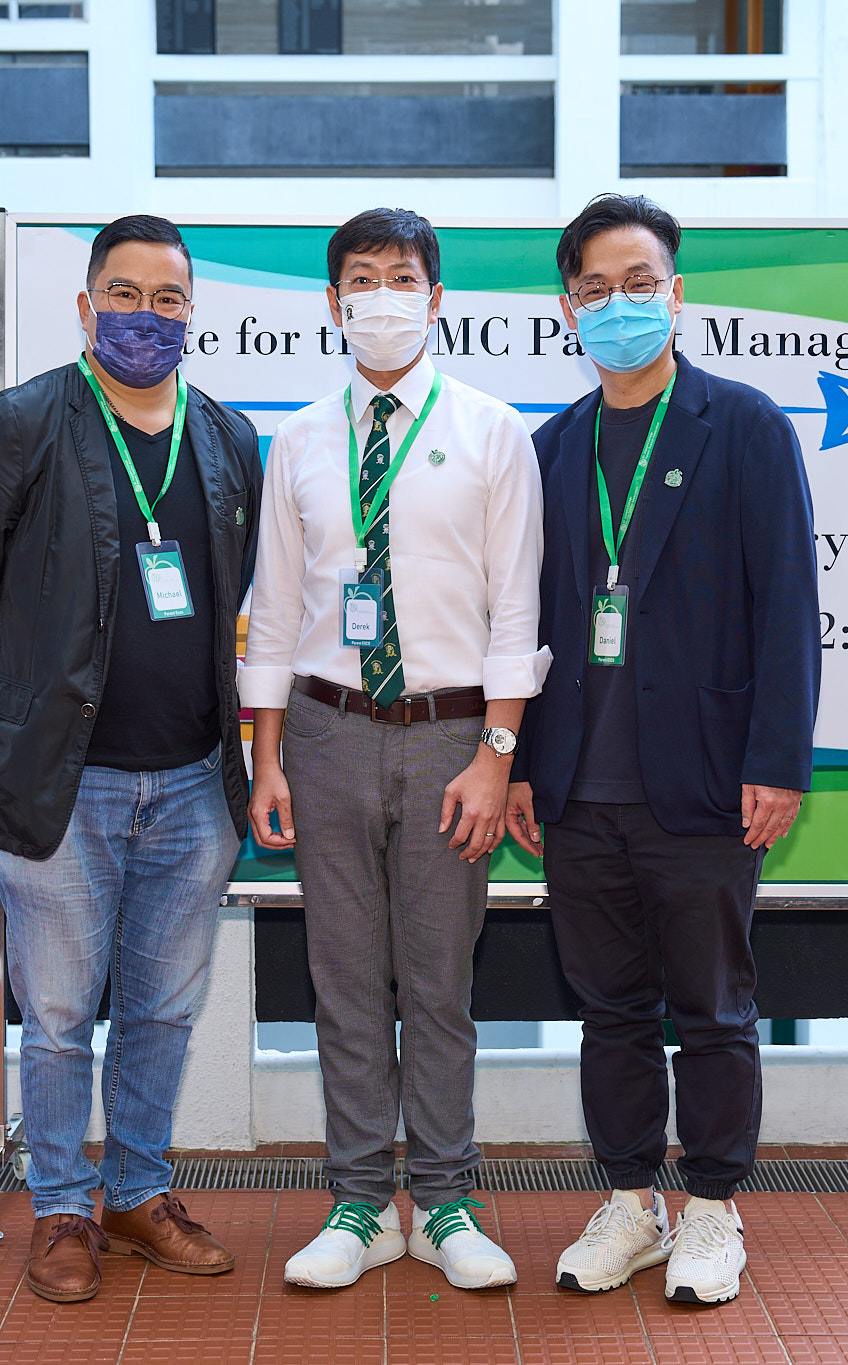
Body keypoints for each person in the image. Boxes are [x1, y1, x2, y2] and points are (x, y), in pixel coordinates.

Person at [0, 214, 262, 1305]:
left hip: (195, 785)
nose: (144, 316)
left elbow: (242, 590)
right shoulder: (21, 424)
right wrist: (20, 704)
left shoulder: (226, 438)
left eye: (167, 299)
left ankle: (138, 1194)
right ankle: (63, 1208)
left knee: (162, 1011)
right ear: (84, 306)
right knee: (62, 1017)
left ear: (191, 312)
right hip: (61, 788)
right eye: (124, 295)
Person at [504, 194, 820, 1306]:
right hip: (578, 787)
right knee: (611, 1010)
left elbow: (788, 606)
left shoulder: (744, 426)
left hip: (706, 780)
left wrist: (777, 759)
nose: (619, 305)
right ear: (568, 309)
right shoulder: (552, 447)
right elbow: (526, 621)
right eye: (595, 289)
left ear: (675, 293)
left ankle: (714, 1209)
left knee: (714, 1011)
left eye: (639, 283)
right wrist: (521, 764)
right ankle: (632, 1202)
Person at [241, 207, 548, 1291]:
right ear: (333, 304)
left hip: (452, 739)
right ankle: (363, 1202)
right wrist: (266, 757)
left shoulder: (492, 432)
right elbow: (275, 612)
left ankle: (448, 1199)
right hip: (325, 734)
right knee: (344, 981)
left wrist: (497, 754)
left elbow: (517, 611)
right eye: (361, 279)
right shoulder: (298, 441)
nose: (383, 296)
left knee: (438, 979)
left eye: (402, 276)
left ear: (436, 297)